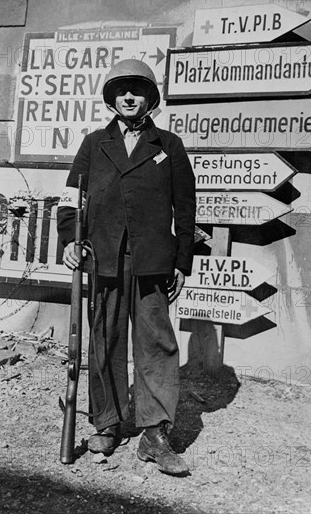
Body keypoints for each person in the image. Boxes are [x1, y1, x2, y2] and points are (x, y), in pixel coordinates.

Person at [57, 59, 196, 475]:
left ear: (150, 98)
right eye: (122, 91)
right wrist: (70, 241)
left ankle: (154, 433)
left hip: (153, 260)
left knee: (156, 344)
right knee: (104, 338)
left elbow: (186, 208)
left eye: (138, 90)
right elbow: (71, 199)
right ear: (112, 99)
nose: (130, 97)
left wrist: (182, 261)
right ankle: (108, 421)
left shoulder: (169, 145)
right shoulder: (93, 144)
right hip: (103, 257)